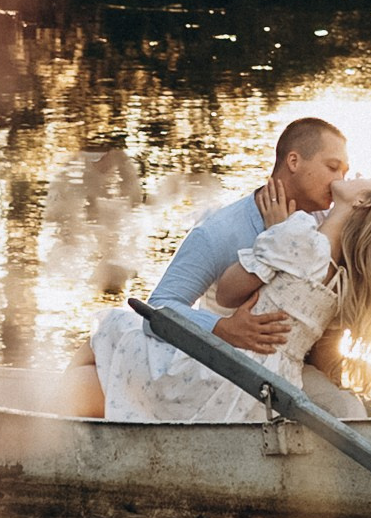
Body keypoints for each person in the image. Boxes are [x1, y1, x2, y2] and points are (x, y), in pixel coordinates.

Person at [55, 115, 349, 419]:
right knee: (106, 339)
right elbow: (161, 306)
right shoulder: (219, 232)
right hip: (217, 373)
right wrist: (222, 329)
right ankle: (55, 418)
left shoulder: (325, 228)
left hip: (287, 371)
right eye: (332, 167)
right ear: (293, 161)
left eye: (345, 171)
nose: (340, 181)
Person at [91, 175, 371, 423]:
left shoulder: (301, 236)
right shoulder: (351, 276)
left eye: (359, 178)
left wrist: (274, 237)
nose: (346, 174)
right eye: (335, 166)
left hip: (233, 363)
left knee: (117, 325)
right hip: (280, 379)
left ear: (362, 201)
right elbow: (361, 315)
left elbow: (228, 292)